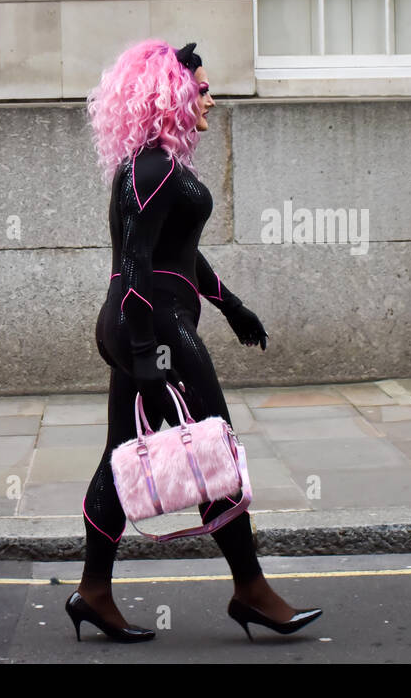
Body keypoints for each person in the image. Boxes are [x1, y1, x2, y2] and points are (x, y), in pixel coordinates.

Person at [67, 38, 322, 644]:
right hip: (155, 327)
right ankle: (251, 590)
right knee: (216, 449)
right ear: (174, 95)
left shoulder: (159, 167)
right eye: (202, 87)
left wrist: (230, 306)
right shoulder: (151, 169)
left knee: (120, 452)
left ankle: (93, 592)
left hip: (150, 324)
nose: (211, 96)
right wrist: (146, 359)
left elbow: (179, 253)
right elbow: (134, 267)